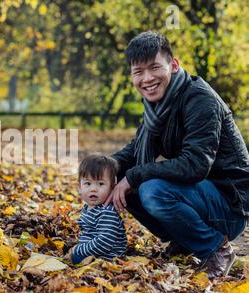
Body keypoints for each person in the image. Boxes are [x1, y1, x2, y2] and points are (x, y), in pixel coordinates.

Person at [104, 31, 248, 278]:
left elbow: (195, 165)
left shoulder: (200, 99)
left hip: (229, 206)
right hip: (199, 197)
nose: (147, 78)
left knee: (150, 190)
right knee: (122, 183)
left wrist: (134, 176)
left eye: (154, 68)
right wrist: (102, 170)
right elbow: (133, 151)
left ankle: (217, 249)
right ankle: (185, 240)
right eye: (139, 72)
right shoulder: (156, 108)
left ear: (173, 65)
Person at [70, 153, 127, 264]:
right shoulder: (89, 207)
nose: (93, 189)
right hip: (93, 252)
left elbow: (104, 242)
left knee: (72, 259)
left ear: (112, 187)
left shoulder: (106, 212)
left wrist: (78, 249)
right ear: (79, 187)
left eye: (100, 184)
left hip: (107, 257)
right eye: (88, 183)